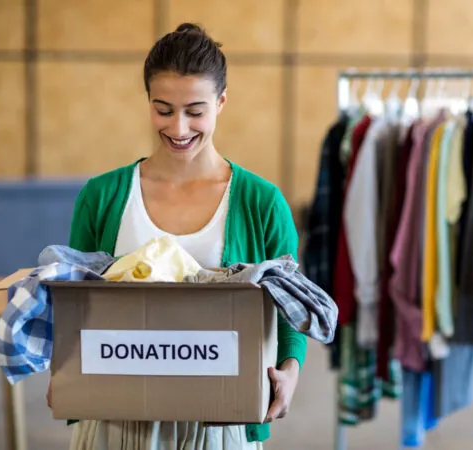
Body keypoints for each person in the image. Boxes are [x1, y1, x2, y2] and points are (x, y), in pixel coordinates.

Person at [50, 22, 307, 449]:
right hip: (117, 419)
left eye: (196, 110)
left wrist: (290, 371)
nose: (179, 128)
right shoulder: (102, 196)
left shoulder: (262, 202)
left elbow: (290, 308)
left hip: (221, 424)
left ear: (222, 102)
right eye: (163, 109)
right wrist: (63, 370)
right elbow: (73, 302)